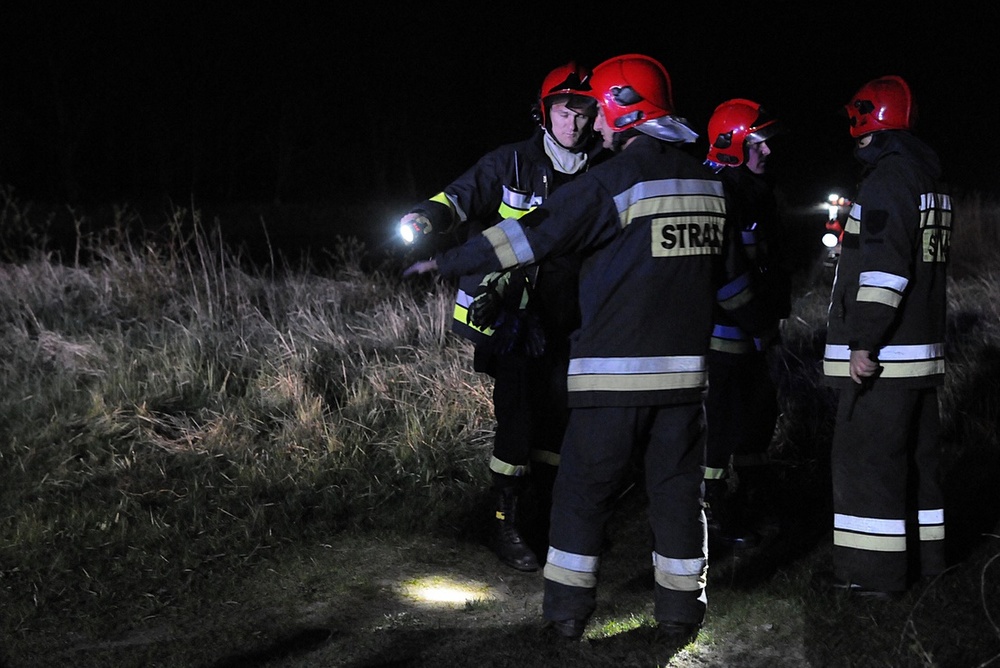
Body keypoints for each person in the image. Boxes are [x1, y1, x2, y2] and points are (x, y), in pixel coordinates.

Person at [406, 53, 727, 643]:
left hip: (611, 374)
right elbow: (722, 282)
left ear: (621, 112)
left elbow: (535, 234)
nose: (590, 123)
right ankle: (682, 614)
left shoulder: (611, 179)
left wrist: (447, 261)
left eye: (596, 110)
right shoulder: (708, 184)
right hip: (685, 381)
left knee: (581, 492)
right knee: (680, 495)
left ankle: (565, 616)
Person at [397, 62, 606, 572]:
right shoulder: (510, 161)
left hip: (576, 318)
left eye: (583, 112)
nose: (573, 123)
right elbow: (460, 197)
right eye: (563, 111)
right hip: (516, 317)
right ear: (543, 112)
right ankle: (503, 522)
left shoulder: (605, 168)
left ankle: (548, 516)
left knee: (561, 417)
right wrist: (425, 217)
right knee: (518, 416)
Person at [813, 75, 952, 598]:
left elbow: (883, 271)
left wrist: (863, 342)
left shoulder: (888, 180)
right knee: (919, 464)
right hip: (922, 354)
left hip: (887, 357)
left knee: (867, 464)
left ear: (867, 119)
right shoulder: (928, 177)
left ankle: (870, 577)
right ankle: (929, 563)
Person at [701, 99, 791, 547]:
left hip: (755, 331)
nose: (767, 151)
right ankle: (710, 512)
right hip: (723, 334)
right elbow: (724, 273)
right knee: (719, 426)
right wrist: (757, 320)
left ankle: (754, 499)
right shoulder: (720, 194)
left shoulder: (758, 191)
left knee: (757, 417)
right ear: (730, 145)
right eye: (757, 143)